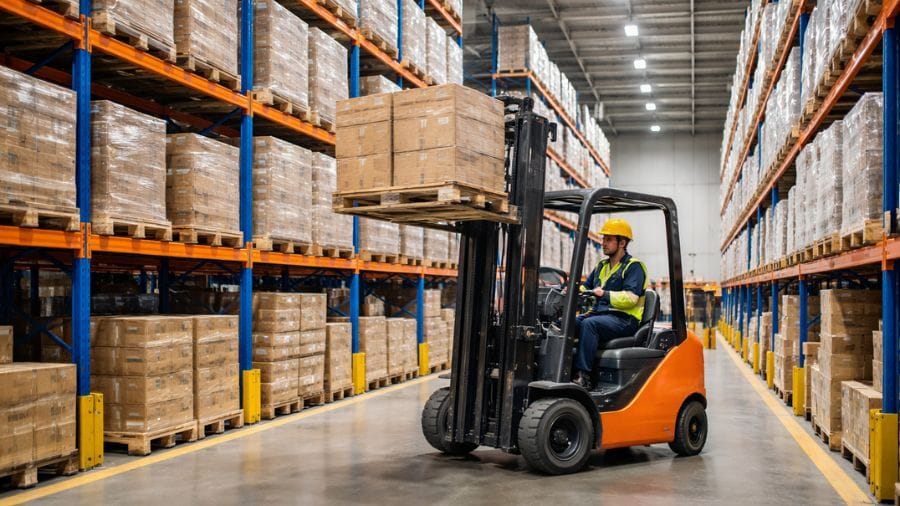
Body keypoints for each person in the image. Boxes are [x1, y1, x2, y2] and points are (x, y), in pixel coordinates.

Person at [572, 218, 648, 389]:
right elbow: (586, 286)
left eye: (608, 239)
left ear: (622, 242)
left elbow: (631, 298)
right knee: (567, 323)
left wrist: (605, 294)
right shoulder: (602, 266)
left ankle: (583, 376)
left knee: (590, 324)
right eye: (603, 239)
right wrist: (572, 291)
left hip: (625, 319)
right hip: (602, 315)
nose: (603, 243)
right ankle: (563, 369)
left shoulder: (633, 267)